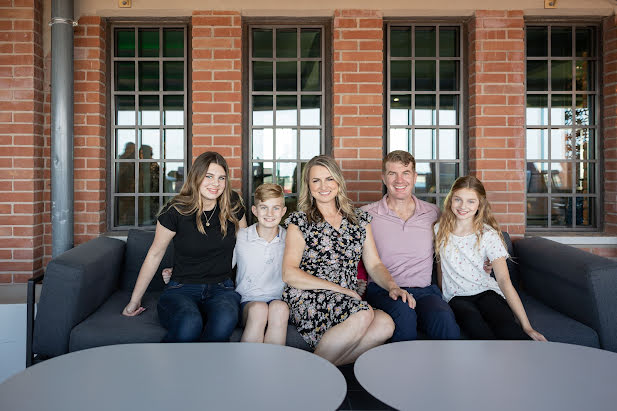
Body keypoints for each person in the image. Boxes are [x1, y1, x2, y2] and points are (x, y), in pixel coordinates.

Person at [282, 155, 413, 366]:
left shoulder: (359, 219)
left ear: (338, 182)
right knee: (363, 314)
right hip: (308, 297)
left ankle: (318, 367)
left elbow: (374, 264)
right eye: (316, 180)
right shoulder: (300, 221)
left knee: (385, 324)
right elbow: (289, 273)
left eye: (329, 179)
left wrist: (392, 286)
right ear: (308, 185)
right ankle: (307, 378)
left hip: (346, 300)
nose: (323, 186)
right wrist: (340, 290)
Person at [122, 151, 247, 344]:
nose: (216, 183)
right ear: (196, 176)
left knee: (225, 320)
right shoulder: (177, 210)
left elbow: (247, 249)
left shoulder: (232, 206)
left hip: (222, 288)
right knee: (190, 322)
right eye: (209, 176)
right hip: (182, 288)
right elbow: (155, 254)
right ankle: (169, 371)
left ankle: (207, 372)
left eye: (221, 178)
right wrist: (134, 300)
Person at [163, 183, 290, 344]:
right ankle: (248, 366)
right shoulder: (242, 237)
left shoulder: (289, 238)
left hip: (278, 298)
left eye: (276, 208)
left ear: (284, 211)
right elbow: (218, 264)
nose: (270, 213)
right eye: (264, 208)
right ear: (254, 211)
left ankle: (273, 366)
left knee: (280, 309)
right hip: (248, 300)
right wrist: (179, 272)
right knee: (259, 310)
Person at [361, 150, 460, 342]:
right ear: (383, 177)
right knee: (404, 316)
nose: (400, 180)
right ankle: (403, 371)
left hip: (425, 291)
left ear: (414, 177)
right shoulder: (366, 215)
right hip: (384, 290)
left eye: (405, 173)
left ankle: (450, 371)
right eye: (392, 173)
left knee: (444, 320)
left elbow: (455, 246)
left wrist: (484, 261)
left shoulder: (433, 214)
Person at [434, 175, 547, 341]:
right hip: (456, 296)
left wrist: (527, 326)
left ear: (480, 204)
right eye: (458, 199)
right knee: (475, 326)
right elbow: (440, 266)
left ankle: (524, 361)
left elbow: (503, 281)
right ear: (450, 200)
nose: (463, 206)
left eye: (471, 201)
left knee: (505, 325)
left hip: (486, 291)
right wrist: (442, 293)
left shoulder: (488, 235)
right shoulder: (439, 229)